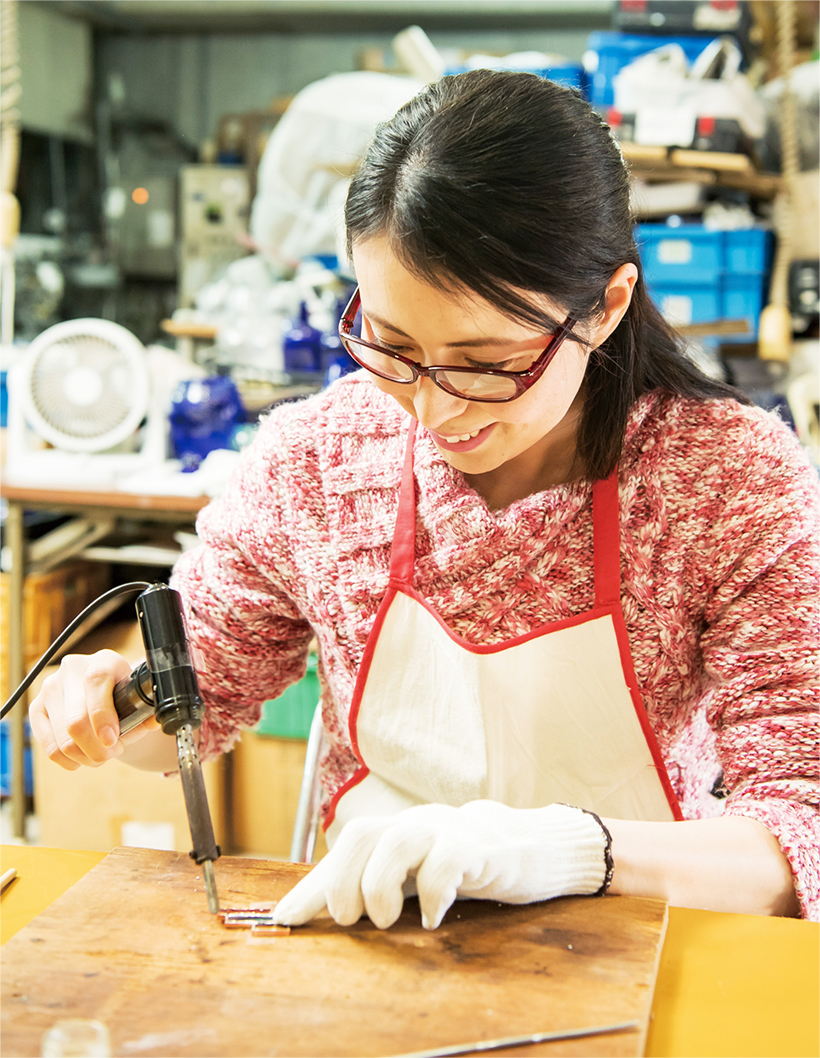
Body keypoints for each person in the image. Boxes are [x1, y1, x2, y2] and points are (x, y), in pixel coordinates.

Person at [31, 70, 819, 927]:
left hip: (635, 940)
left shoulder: (725, 484)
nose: (436, 411)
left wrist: (567, 851)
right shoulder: (321, 461)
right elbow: (197, 703)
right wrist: (112, 705)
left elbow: (797, 832)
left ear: (606, 306)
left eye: (486, 363)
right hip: (372, 941)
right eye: (393, 345)